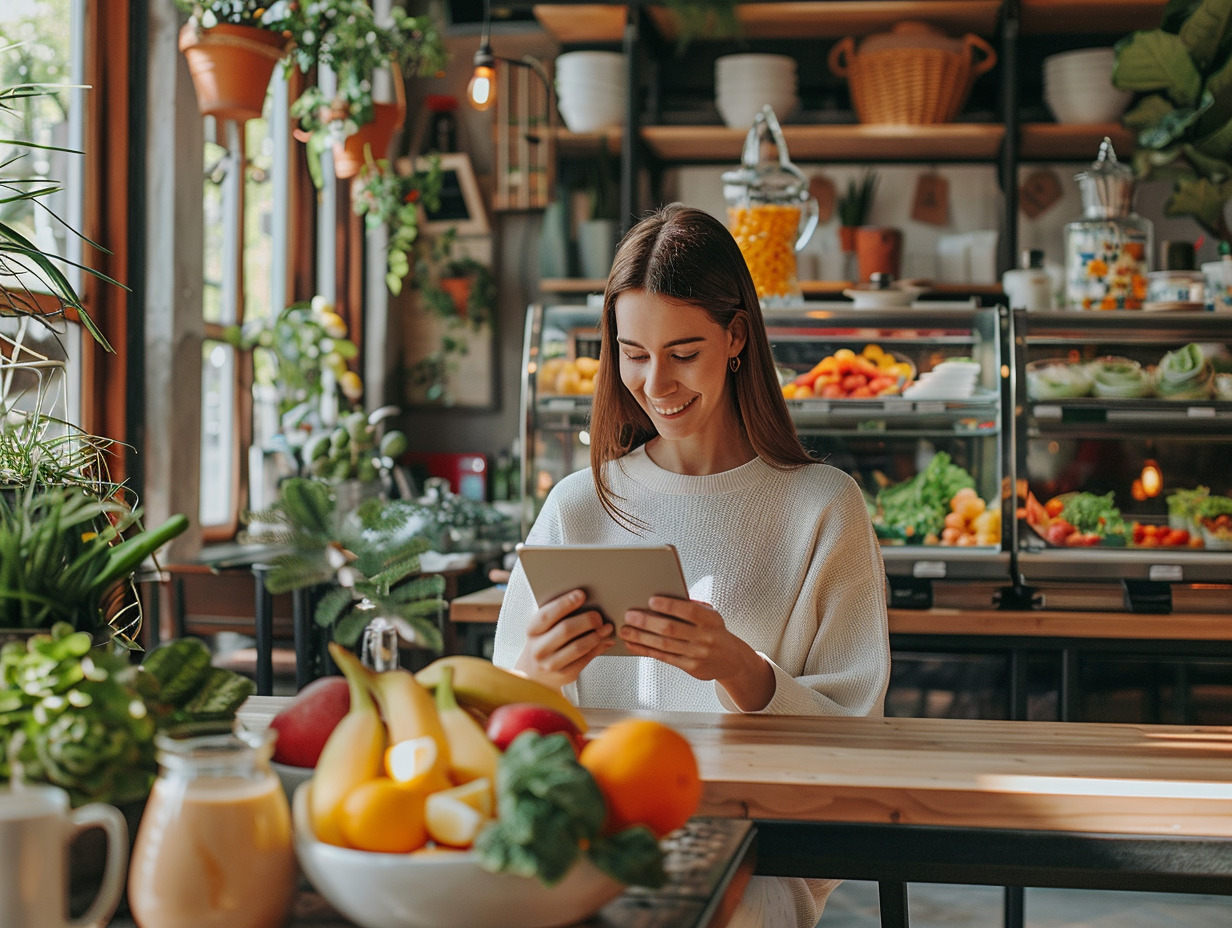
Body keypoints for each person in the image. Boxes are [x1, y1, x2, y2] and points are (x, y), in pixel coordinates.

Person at [493, 203, 890, 928]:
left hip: (758, 845)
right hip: (596, 839)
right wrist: (539, 673)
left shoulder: (824, 508)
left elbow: (857, 734)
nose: (656, 383)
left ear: (736, 336)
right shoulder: (580, 504)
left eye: (683, 353)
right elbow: (507, 725)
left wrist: (742, 669)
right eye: (633, 354)